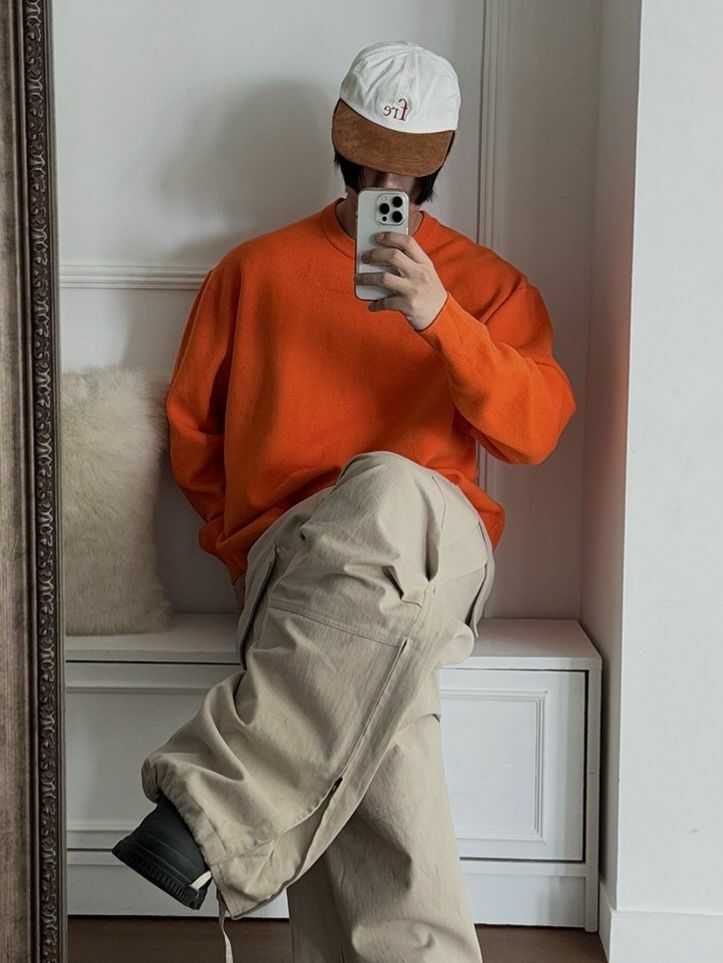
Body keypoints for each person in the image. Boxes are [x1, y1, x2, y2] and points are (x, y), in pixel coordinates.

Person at [112, 40, 577, 962]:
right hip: (298, 556)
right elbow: (195, 439)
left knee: (388, 481)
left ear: (438, 163)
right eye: (370, 159)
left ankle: (214, 801)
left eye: (405, 166)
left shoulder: (486, 287)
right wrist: (249, 546)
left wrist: (439, 320)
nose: (384, 183)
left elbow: (532, 433)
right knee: (382, 700)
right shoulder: (251, 272)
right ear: (339, 143)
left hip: (436, 544)